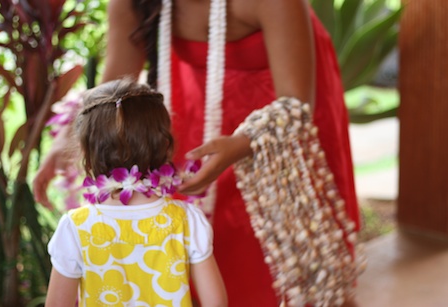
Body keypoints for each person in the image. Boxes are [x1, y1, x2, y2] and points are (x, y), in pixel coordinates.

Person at [35, 0, 361, 305]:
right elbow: (115, 83)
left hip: (279, 122)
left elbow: (297, 103)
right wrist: (67, 140)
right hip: (196, 111)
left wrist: (244, 142)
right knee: (198, 246)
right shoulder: (132, 2)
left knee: (274, 254)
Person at [44, 79, 227, 307]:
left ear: (84, 152)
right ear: (166, 147)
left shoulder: (75, 227)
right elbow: (216, 303)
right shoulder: (187, 220)